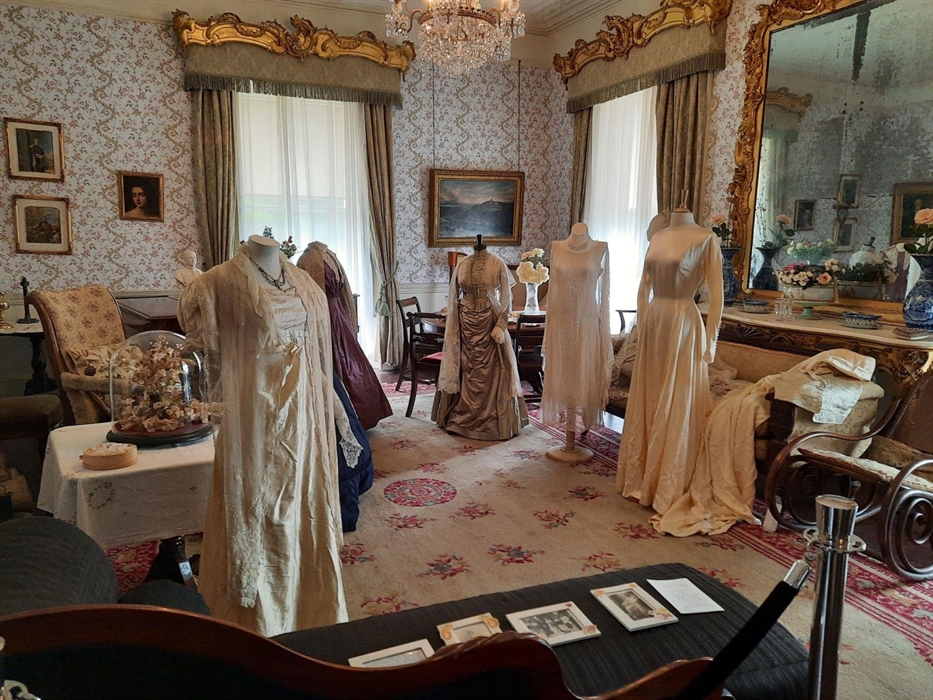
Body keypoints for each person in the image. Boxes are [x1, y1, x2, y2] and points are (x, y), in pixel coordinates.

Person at [178, 235, 348, 636]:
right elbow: (208, 354)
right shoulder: (215, 283)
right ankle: (257, 619)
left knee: (303, 496)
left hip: (301, 414)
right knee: (258, 499)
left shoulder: (303, 282)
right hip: (255, 413)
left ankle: (311, 606)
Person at [616, 206, 724, 529]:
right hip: (655, 322)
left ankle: (668, 484)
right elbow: (643, 285)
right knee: (649, 397)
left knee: (675, 398)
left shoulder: (706, 238)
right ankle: (642, 477)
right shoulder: (658, 237)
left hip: (683, 323)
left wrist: (710, 341)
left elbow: (717, 295)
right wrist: (642, 320)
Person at [433, 237, 528, 441]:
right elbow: (453, 295)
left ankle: (494, 422)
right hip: (464, 323)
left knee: (492, 371)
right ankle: (460, 416)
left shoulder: (497, 263)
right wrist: (452, 320)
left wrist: (501, 326)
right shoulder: (462, 264)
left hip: (489, 324)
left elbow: (506, 300)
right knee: (465, 369)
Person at [296, 242, 393, 429]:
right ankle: (339, 420)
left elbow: (343, 290)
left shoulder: (330, 254)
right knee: (334, 363)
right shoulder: (308, 260)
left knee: (352, 364)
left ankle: (362, 416)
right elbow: (309, 295)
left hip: (337, 314)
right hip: (324, 317)